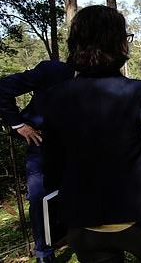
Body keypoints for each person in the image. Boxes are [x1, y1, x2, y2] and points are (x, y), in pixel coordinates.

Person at [42, 5, 141, 263]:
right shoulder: (140, 92)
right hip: (140, 218)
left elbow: (51, 163)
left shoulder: (54, 97)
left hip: (83, 221)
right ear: (118, 43)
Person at [0, 61, 74, 263]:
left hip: (77, 150)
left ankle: (79, 238)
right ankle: (44, 253)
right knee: (39, 198)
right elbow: (3, 89)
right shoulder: (53, 71)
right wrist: (19, 125)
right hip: (42, 146)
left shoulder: (100, 76)